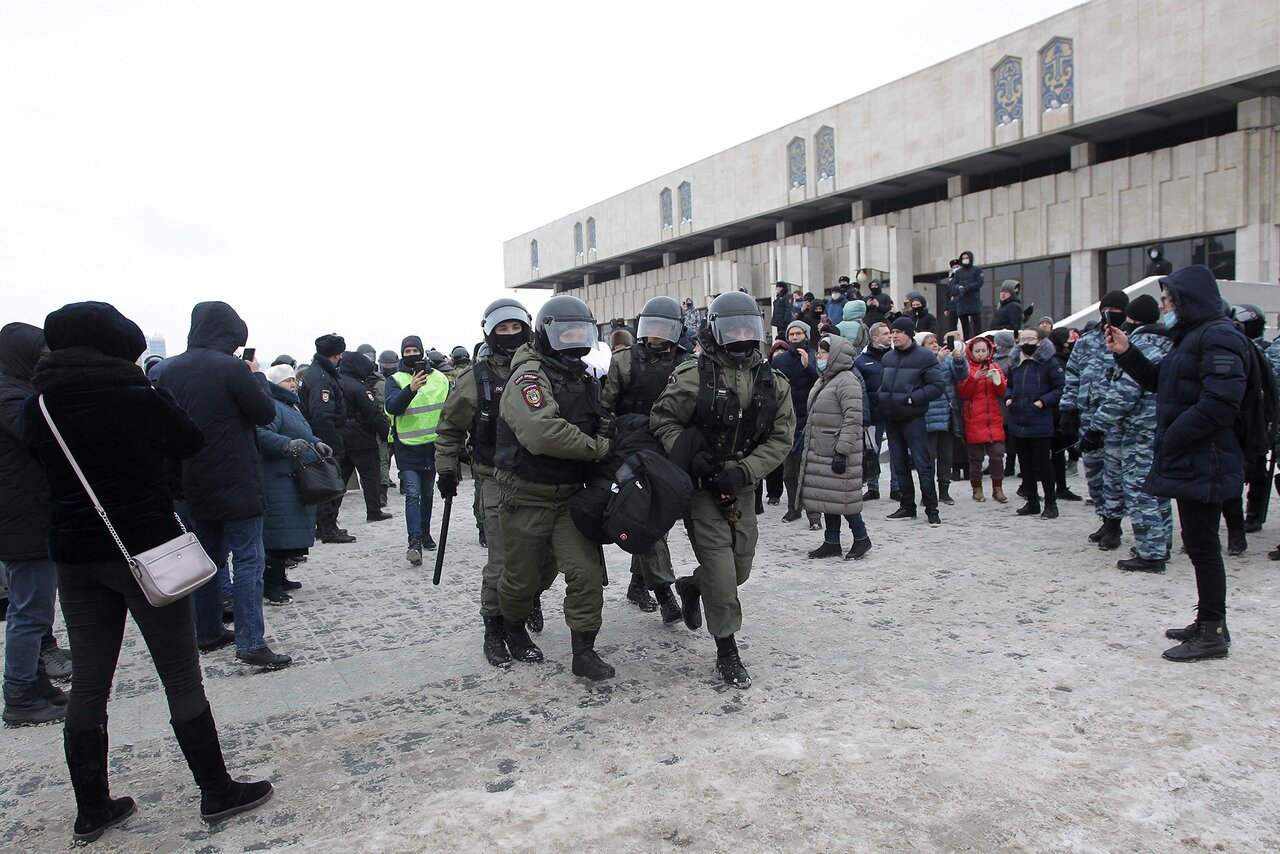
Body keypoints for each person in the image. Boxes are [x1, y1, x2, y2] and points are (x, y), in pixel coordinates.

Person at [23, 302, 272, 843]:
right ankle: (216, 790)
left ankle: (93, 809)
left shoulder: (38, 404)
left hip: (75, 556)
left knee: (90, 680)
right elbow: (188, 439)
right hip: (145, 549)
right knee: (180, 674)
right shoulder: (135, 394)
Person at [651, 291, 795, 689]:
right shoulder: (693, 376)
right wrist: (688, 455)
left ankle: (690, 585)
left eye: (749, 327)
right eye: (732, 328)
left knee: (740, 568)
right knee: (721, 570)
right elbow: (663, 421)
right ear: (715, 331)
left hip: (743, 486)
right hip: (702, 489)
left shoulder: (774, 381)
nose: (741, 335)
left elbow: (782, 437)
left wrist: (747, 470)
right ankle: (727, 650)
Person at [1108, 266, 1246, 660]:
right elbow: (1160, 382)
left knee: (1203, 546)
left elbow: (1221, 403)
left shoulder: (1218, 336)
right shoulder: (1189, 337)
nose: (1165, 307)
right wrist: (1128, 353)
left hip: (1207, 456)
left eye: (1169, 300)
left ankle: (1213, 631)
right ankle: (1207, 620)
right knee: (1197, 542)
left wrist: (1172, 437)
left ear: (1188, 300)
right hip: (1192, 455)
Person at [156, 302, 290, 668]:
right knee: (249, 558)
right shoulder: (232, 368)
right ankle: (250, 640)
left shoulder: (169, 370)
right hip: (236, 479)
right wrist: (256, 376)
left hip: (193, 479)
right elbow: (264, 413)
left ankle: (208, 631)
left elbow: (165, 429)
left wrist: (174, 479)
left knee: (209, 560)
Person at [494, 295, 615, 680]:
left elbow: (599, 420)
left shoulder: (583, 375)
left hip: (571, 495)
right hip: (526, 494)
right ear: (547, 334)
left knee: (586, 574)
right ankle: (511, 626)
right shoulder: (528, 377)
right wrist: (596, 449)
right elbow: (541, 432)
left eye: (581, 333)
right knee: (521, 579)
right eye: (566, 333)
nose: (574, 340)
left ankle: (584, 649)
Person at [436, 298, 543, 666]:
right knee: (503, 561)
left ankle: (527, 602)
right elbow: (450, 429)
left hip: (542, 476)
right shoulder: (475, 379)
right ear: (490, 332)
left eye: (516, 328)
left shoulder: (543, 367)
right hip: (494, 477)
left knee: (544, 557)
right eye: (503, 329)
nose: (510, 335)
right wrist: (446, 469)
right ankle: (498, 628)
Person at [602, 296, 690, 622]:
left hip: (668, 449)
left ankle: (638, 583)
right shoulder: (624, 361)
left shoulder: (686, 363)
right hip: (632, 450)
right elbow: (605, 406)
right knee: (645, 516)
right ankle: (665, 592)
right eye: (651, 327)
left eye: (664, 329)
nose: (657, 334)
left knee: (660, 521)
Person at [1, 322, 68, 726]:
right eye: (41, 356)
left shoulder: (15, 387)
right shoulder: (11, 395)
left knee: (32, 609)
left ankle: (34, 681)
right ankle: (20, 693)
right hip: (23, 519)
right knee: (29, 612)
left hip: (24, 514)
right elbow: (36, 431)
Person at [1090, 295, 1174, 571]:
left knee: (1140, 493)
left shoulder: (1142, 346)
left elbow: (1123, 396)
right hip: (1160, 429)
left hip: (1139, 432)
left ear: (1132, 318)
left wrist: (1096, 426)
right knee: (1159, 493)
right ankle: (1162, 544)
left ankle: (1151, 554)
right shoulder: (1169, 343)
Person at [256, 364, 329, 604]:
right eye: (287, 381)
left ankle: (280, 577)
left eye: (292, 380)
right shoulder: (274, 407)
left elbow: (303, 433)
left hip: (293, 478)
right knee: (280, 533)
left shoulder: (290, 406)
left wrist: (316, 442)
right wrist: (285, 445)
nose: (292, 384)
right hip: (280, 479)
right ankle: (271, 583)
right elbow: (261, 434)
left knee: (289, 532)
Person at [1065, 292, 1129, 549]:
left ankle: (1114, 525)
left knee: (1114, 475)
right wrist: (1068, 411)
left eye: (1116, 309)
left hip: (1116, 420)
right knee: (1093, 473)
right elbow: (1072, 376)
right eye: (1106, 309)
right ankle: (1105, 517)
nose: (1110, 313)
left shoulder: (1128, 342)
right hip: (1088, 417)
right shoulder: (1086, 342)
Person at [799, 336, 872, 560]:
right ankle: (832, 541)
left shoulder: (847, 380)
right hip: (822, 449)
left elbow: (853, 420)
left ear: (835, 355)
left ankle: (862, 538)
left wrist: (842, 451)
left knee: (845, 499)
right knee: (828, 497)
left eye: (822, 353)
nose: (817, 357)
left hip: (839, 450)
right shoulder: (825, 379)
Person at [385, 335, 451, 565]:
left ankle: (424, 532)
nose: (412, 355)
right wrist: (410, 389)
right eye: (407, 351)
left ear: (422, 352)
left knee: (428, 493)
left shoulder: (440, 378)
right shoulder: (395, 380)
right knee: (412, 494)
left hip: (432, 445)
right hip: (408, 447)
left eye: (415, 351)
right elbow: (392, 407)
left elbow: (451, 407)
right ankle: (413, 541)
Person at [878, 317, 945, 525]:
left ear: (909, 333)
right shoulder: (887, 357)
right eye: (892, 332)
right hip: (892, 418)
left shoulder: (924, 357)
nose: (894, 336)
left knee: (923, 465)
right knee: (899, 465)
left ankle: (932, 509)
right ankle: (907, 506)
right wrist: (881, 398)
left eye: (898, 332)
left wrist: (913, 398)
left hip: (913, 418)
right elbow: (883, 383)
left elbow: (937, 386)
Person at [300, 334, 355, 544]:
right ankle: (327, 526)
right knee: (330, 481)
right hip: (326, 439)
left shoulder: (317, 372)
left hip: (324, 436)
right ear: (336, 355)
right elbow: (322, 414)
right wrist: (332, 444)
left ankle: (325, 525)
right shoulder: (322, 377)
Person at [1006, 328, 1065, 519]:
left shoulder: (1049, 363)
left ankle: (1051, 502)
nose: (1026, 342)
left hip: (1039, 419)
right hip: (1018, 418)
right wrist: (1008, 398)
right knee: (1025, 464)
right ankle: (1032, 501)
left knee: (1043, 463)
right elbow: (1009, 384)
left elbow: (1060, 388)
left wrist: (1042, 402)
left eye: (1030, 339)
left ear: (1039, 341)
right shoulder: (1015, 362)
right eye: (1023, 339)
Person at [772, 321, 820, 528]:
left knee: (808, 473)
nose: (794, 337)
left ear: (806, 335)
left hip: (809, 419)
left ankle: (814, 516)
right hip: (787, 420)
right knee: (789, 472)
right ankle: (793, 508)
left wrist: (807, 366)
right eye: (791, 334)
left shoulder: (817, 357)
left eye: (799, 333)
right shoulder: (780, 360)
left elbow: (821, 382)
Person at [337, 350, 392, 523]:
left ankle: (327, 518)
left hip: (341, 435)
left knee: (339, 479)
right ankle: (374, 511)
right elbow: (373, 413)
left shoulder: (334, 382)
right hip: (361, 436)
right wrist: (385, 433)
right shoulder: (359, 387)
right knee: (370, 475)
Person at [916, 332, 969, 505]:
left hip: (946, 413)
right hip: (928, 414)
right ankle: (928, 493)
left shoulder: (947, 359)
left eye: (935, 342)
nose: (934, 345)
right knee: (928, 457)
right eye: (929, 343)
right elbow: (920, 381)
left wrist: (959, 360)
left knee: (946, 456)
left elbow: (961, 376)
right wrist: (936, 362)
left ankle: (944, 491)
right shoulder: (918, 361)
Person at [956, 335, 1008, 502]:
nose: (980, 354)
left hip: (993, 417)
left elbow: (1004, 391)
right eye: (977, 351)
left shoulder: (995, 367)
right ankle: (977, 488)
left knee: (997, 455)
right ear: (971, 352)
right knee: (975, 457)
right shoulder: (967, 369)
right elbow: (963, 393)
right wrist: (975, 378)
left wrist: (997, 381)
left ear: (989, 351)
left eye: (983, 350)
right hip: (974, 418)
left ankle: (997, 487)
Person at [855, 321, 893, 501]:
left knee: (896, 452)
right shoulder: (862, 361)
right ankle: (873, 487)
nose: (890, 336)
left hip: (895, 413)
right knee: (872, 452)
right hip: (874, 415)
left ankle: (897, 487)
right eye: (885, 333)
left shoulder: (895, 356)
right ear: (875, 337)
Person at [949, 251, 984, 338]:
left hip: (973, 300)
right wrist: (959, 288)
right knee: (964, 325)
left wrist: (967, 287)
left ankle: (978, 338)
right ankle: (966, 340)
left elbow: (979, 282)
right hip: (962, 301)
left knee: (976, 323)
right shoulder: (958, 272)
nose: (965, 260)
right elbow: (953, 285)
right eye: (963, 258)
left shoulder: (977, 270)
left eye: (967, 258)